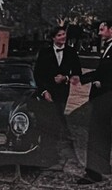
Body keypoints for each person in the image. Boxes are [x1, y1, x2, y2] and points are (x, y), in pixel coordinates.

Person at [78, 20, 112, 184]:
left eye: (102, 29)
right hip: (101, 99)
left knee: (98, 135)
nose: (99, 33)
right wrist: (81, 78)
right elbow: (102, 72)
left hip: (106, 99)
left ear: (111, 30)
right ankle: (98, 169)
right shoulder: (111, 47)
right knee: (98, 134)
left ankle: (94, 173)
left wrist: (104, 84)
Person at [32, 26, 83, 167]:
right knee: (46, 122)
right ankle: (45, 154)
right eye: (60, 35)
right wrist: (44, 91)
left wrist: (65, 78)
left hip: (62, 94)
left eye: (64, 34)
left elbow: (77, 72)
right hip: (46, 93)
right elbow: (37, 74)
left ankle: (54, 154)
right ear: (53, 38)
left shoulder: (71, 52)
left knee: (56, 122)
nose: (63, 37)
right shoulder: (45, 52)